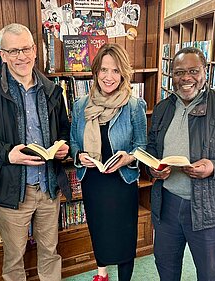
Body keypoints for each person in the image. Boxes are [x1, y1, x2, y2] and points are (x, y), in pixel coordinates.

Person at [0, 23, 70, 281]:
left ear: (35, 50)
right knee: (13, 258)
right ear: (2, 54)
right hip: (11, 190)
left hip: (48, 188)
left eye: (25, 49)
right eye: (12, 51)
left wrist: (63, 147)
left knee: (50, 251)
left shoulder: (53, 89)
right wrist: (7, 154)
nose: (20, 56)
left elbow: (65, 131)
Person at [146, 47, 215, 281]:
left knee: (209, 273)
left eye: (193, 71)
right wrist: (153, 168)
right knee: (166, 267)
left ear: (205, 72)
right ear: (172, 75)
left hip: (209, 209)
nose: (186, 78)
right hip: (166, 205)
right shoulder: (162, 108)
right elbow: (152, 149)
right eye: (179, 72)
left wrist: (214, 167)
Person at [70, 43, 147, 281]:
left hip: (122, 183)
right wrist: (79, 156)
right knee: (99, 230)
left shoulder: (134, 106)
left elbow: (142, 146)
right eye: (104, 70)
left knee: (124, 235)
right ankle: (101, 274)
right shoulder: (80, 105)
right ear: (95, 72)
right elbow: (73, 141)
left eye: (115, 71)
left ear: (123, 73)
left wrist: (128, 158)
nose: (109, 77)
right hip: (93, 181)